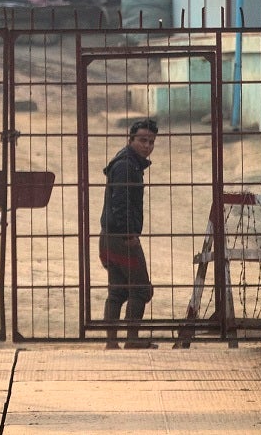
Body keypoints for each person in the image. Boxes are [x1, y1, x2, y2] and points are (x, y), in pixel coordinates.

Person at [99, 118, 158, 348]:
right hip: (122, 238)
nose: (147, 146)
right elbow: (121, 203)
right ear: (131, 140)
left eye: (151, 142)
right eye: (142, 140)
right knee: (141, 289)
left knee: (118, 291)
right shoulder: (126, 165)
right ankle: (131, 341)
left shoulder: (128, 162)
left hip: (109, 236)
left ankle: (112, 343)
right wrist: (129, 234)